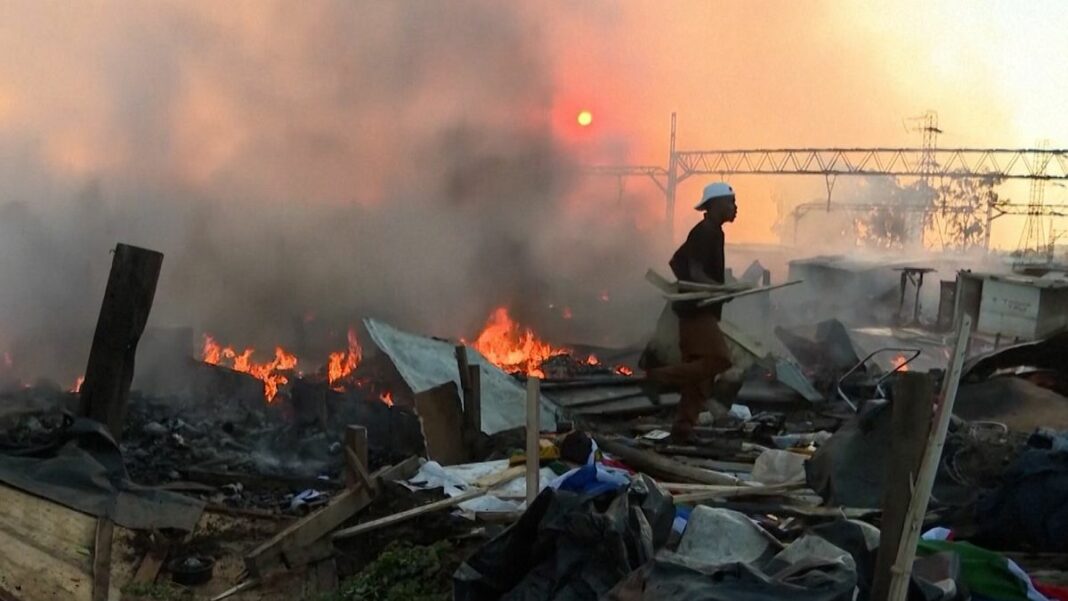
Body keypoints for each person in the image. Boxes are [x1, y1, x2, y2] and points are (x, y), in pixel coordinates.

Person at [646, 182, 738, 440]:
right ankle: (656, 377)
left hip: (699, 308)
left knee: (699, 376)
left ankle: (683, 427)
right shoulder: (705, 232)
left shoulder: (713, 231)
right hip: (695, 312)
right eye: (730, 202)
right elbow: (696, 272)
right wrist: (718, 290)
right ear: (715, 204)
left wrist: (718, 291)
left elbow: (677, 260)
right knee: (718, 360)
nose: (735, 207)